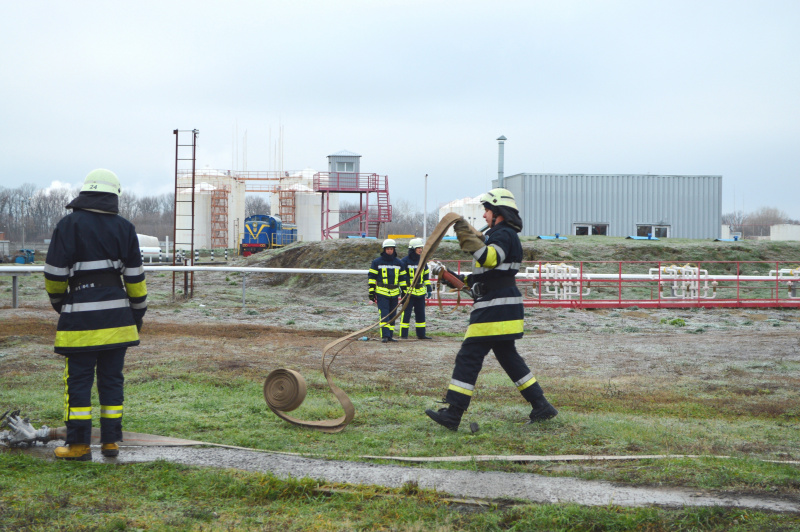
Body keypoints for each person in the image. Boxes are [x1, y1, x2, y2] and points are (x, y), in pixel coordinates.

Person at [425, 188, 557, 430]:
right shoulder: (501, 235)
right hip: (502, 307)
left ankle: (453, 414)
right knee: (508, 357)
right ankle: (541, 405)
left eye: (487, 210)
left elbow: (489, 259)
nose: (484, 215)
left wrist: (464, 232)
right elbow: (481, 280)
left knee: (469, 357)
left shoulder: (503, 234)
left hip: (495, 309)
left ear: (498, 212)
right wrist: (445, 274)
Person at [43, 169, 147, 461]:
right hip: (118, 321)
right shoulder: (125, 228)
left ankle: (78, 446)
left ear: (85, 192)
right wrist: (136, 315)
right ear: (114, 196)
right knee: (112, 381)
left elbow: (53, 275)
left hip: (80, 324)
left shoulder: (67, 225)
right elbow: (136, 280)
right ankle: (111, 443)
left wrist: (62, 303)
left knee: (78, 383)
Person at [368, 239, 407, 343]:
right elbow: (372, 278)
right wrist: (371, 293)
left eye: (391, 249)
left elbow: (402, 279)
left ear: (394, 250)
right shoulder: (377, 262)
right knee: (384, 314)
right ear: (384, 250)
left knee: (392, 315)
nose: (389, 251)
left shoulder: (399, 263)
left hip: (394, 293)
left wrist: (404, 292)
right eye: (388, 249)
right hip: (381, 293)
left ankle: (390, 335)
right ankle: (384, 336)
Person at [399, 238, 433, 340]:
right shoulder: (404, 261)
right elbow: (402, 277)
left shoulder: (422, 261)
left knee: (421, 314)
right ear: (412, 249)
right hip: (409, 292)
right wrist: (404, 291)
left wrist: (428, 288)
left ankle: (421, 334)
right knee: (406, 314)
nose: (420, 250)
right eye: (418, 248)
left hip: (420, 292)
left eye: (421, 248)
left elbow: (426, 276)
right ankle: (404, 335)